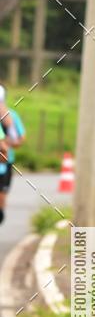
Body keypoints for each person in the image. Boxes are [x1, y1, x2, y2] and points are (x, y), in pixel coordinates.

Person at [0, 90, 25, 225]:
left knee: (1, 198)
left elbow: (18, 140)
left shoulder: (11, 117)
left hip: (4, 165)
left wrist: (7, 141)